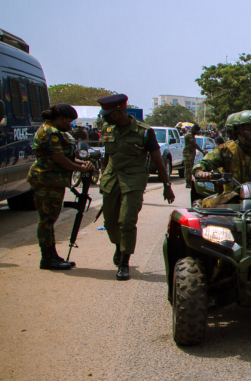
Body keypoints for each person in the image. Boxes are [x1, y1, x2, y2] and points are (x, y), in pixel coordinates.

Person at [97, 94, 175, 280]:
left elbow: (157, 160)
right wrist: (102, 178)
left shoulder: (144, 131)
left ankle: (125, 261)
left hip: (134, 179)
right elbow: (108, 156)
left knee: (126, 221)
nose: (104, 117)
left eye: (107, 114)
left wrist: (166, 185)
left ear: (119, 112)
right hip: (112, 177)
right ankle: (119, 245)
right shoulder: (107, 128)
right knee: (110, 223)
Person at [26, 104, 97, 270]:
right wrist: (81, 168)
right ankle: (47, 258)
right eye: (69, 121)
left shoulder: (54, 131)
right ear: (61, 118)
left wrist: (81, 163)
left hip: (52, 181)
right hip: (46, 181)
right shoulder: (51, 132)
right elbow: (59, 159)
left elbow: (64, 157)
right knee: (46, 220)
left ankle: (52, 256)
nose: (69, 125)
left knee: (50, 219)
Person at [182, 124, 207, 189]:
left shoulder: (191, 134)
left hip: (190, 153)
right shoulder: (190, 135)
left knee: (190, 168)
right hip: (188, 154)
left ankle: (189, 182)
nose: (197, 132)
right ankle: (188, 182)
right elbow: (194, 144)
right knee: (188, 169)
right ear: (194, 129)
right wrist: (202, 151)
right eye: (196, 131)